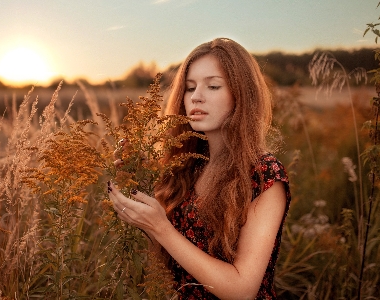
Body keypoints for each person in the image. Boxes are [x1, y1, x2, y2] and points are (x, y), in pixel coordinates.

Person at [108, 37, 291, 300]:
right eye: (189, 87)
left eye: (213, 86)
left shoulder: (265, 174)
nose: (196, 97)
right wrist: (141, 182)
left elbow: (242, 289)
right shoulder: (188, 166)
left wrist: (161, 228)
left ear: (242, 94)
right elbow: (170, 261)